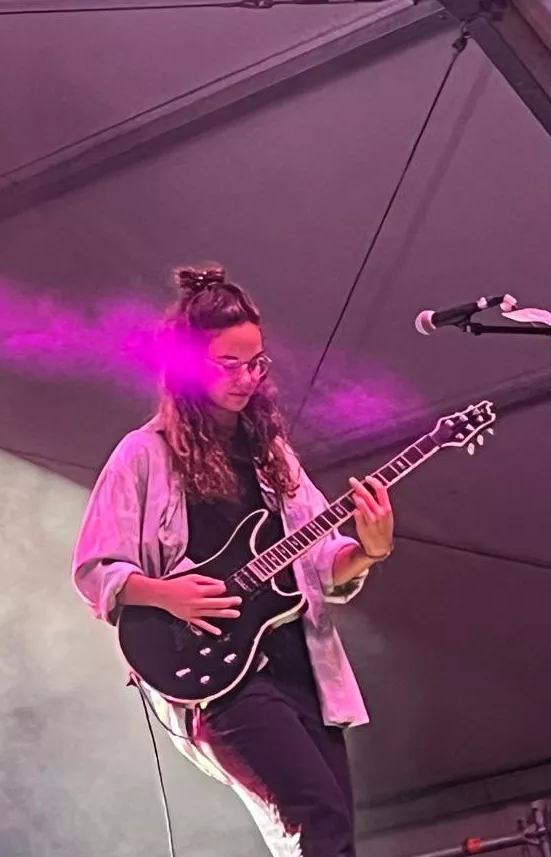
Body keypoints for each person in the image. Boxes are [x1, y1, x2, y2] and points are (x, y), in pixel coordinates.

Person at [71, 265, 396, 857]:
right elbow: (96, 569)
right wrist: (167, 594)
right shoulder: (143, 454)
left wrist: (367, 550)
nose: (248, 378)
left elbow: (322, 560)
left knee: (334, 831)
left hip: (299, 662)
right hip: (218, 675)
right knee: (316, 822)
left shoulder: (271, 454)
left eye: (257, 363)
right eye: (230, 364)